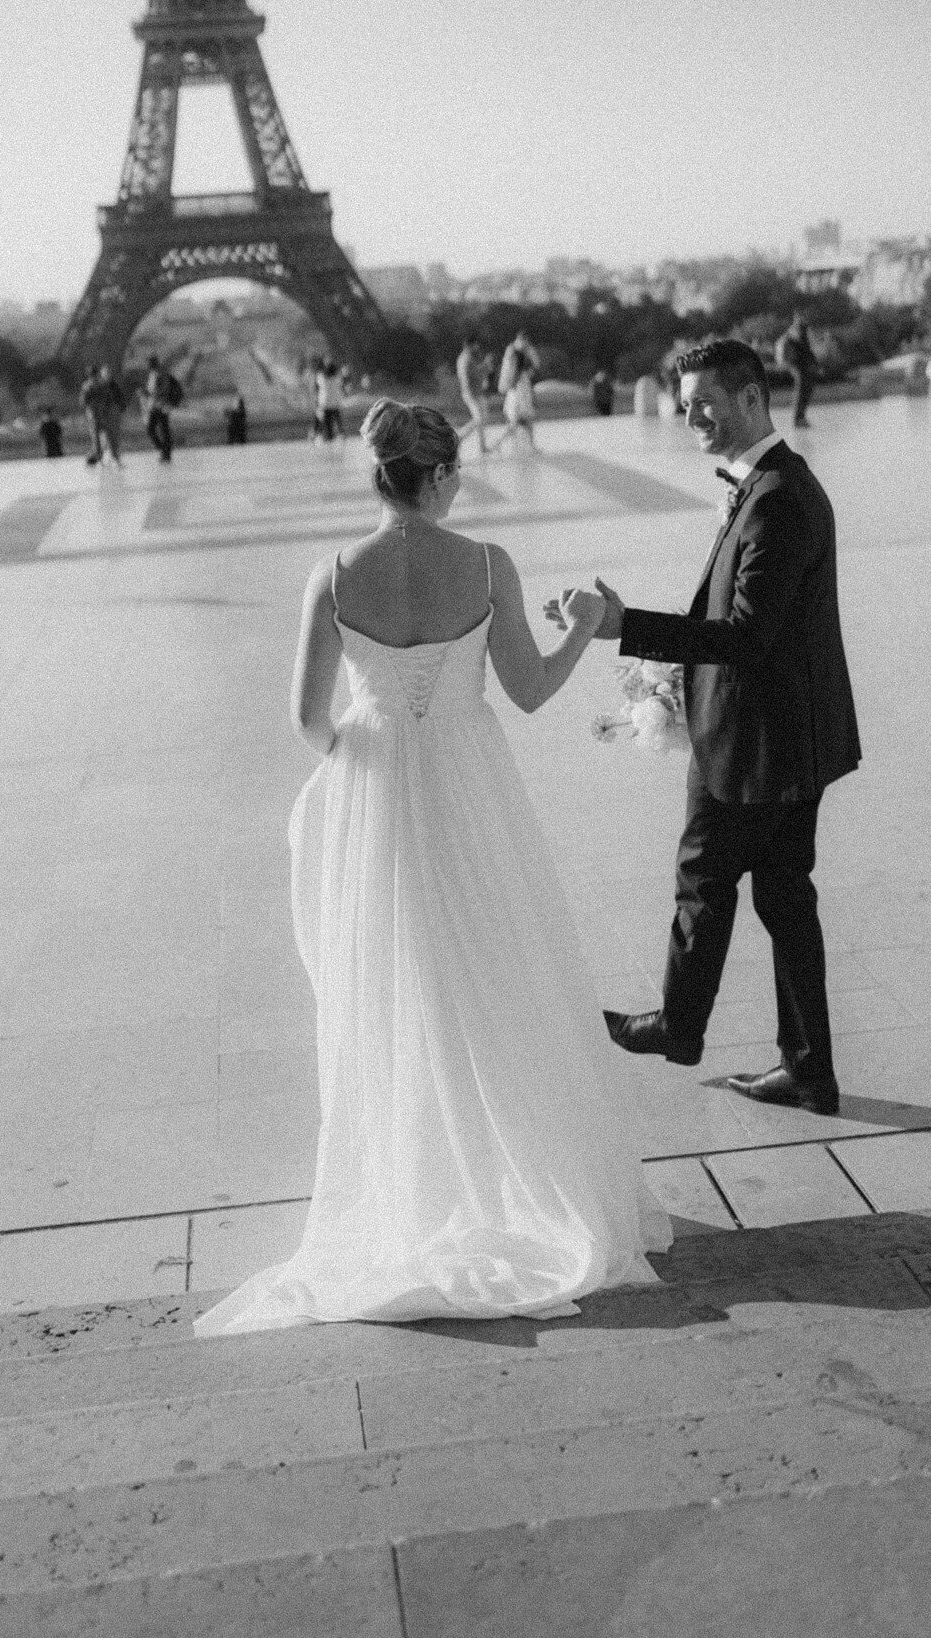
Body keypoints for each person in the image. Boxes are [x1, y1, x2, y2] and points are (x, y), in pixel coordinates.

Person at [195, 401, 670, 1335]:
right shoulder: (486, 565)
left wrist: (365, 757)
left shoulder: (331, 578)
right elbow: (530, 693)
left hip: (376, 786)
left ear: (378, 476)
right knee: (497, 972)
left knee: (394, 986)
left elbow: (304, 721)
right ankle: (517, 1175)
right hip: (468, 777)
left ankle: (419, 1179)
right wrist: (586, 626)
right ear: (443, 475)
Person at [556, 339, 860, 1116]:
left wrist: (629, 627)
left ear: (753, 398)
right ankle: (807, 1067)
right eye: (684, 399)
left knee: (705, 877)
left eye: (703, 401)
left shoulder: (779, 499)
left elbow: (748, 636)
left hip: (757, 744)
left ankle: (677, 1026)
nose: (688, 414)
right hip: (788, 736)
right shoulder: (768, 488)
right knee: (784, 896)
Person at [776, 313, 818, 428]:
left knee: (805, 390)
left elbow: (806, 348)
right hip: (799, 365)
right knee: (802, 390)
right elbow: (804, 348)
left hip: (799, 365)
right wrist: (813, 362)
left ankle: (800, 417)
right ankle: (799, 419)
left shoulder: (800, 329)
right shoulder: (797, 329)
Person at [455, 335, 491, 454]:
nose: (477, 347)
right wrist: (485, 366)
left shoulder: (467, 358)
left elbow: (475, 373)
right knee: (479, 419)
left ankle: (483, 447)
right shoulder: (466, 359)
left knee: (482, 418)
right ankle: (459, 437)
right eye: (475, 344)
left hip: (476, 392)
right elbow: (469, 376)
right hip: (472, 393)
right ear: (470, 345)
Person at [141, 356, 175, 463]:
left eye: (148, 364)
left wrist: (149, 393)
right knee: (151, 429)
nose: (146, 366)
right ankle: (163, 450)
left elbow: (164, 389)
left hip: (162, 405)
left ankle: (166, 453)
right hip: (153, 406)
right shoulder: (152, 374)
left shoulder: (162, 374)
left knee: (164, 429)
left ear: (152, 364)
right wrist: (146, 393)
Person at [317, 358, 345, 442]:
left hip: (325, 403)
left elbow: (319, 376)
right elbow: (341, 379)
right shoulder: (337, 379)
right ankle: (341, 434)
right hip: (335, 403)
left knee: (327, 421)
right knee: (337, 419)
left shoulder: (322, 379)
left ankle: (328, 436)